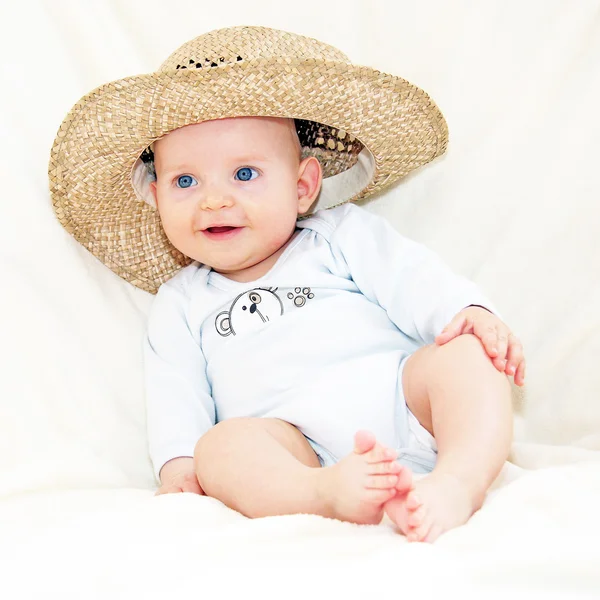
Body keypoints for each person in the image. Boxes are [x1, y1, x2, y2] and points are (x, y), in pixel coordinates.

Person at [49, 26, 525, 543]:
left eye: (245, 174)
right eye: (186, 181)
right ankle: (326, 495)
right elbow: (174, 392)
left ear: (302, 186)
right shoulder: (182, 302)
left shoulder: (339, 235)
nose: (213, 200)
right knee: (220, 449)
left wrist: (466, 310)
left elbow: (411, 276)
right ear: (157, 196)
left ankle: (457, 483)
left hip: (404, 402)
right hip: (293, 446)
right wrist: (179, 464)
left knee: (467, 354)